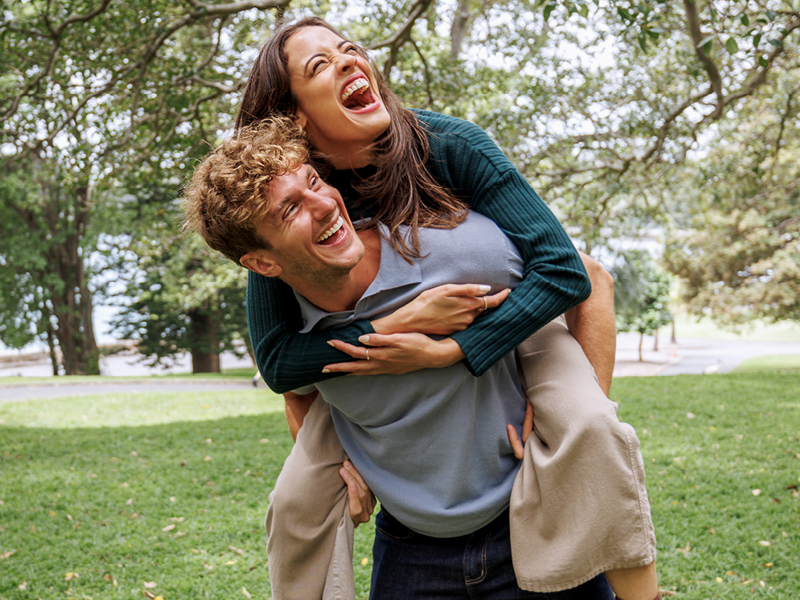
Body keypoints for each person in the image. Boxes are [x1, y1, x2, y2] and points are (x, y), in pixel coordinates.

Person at [184, 118, 659, 600]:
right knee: (290, 506)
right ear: (263, 264)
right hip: (412, 552)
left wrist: (574, 425)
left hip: (533, 517)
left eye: (314, 182)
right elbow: (293, 388)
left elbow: (588, 278)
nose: (326, 204)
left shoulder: (454, 252)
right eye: (290, 211)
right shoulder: (293, 330)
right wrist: (344, 467)